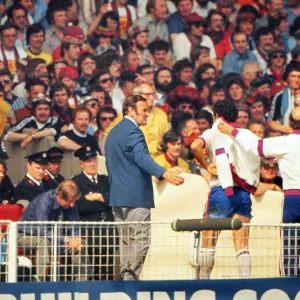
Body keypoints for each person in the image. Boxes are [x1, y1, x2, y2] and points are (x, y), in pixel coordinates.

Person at [105, 95, 184, 280]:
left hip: (117, 196)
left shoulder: (113, 133)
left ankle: (125, 278)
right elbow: (142, 158)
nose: (147, 114)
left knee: (126, 242)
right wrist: (165, 173)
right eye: (144, 110)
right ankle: (130, 279)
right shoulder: (133, 132)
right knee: (140, 241)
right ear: (130, 110)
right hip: (135, 197)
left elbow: (111, 165)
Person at [218, 107, 300, 277]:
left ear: (290, 124)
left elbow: (257, 146)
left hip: (293, 198)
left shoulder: (286, 142)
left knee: (291, 249)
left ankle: (292, 288)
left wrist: (232, 131)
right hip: (292, 196)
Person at [190, 99, 260, 279]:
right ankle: (246, 288)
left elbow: (194, 146)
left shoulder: (213, 132)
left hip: (221, 191)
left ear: (215, 116)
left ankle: (203, 286)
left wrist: (206, 165)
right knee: (242, 246)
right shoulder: (244, 133)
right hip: (243, 192)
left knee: (208, 244)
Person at [17, 180, 91, 281]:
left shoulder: (71, 202)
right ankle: (41, 281)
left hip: (54, 238)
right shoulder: (44, 202)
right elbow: (41, 230)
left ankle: (83, 283)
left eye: (74, 201)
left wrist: (76, 239)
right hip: (25, 236)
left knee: (81, 244)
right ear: (60, 196)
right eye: (70, 201)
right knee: (43, 242)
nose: (73, 205)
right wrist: (67, 240)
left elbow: (74, 226)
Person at [71, 145, 116, 280]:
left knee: (106, 269)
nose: (92, 163)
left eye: (94, 159)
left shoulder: (106, 179)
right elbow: (80, 206)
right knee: (89, 270)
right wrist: (103, 200)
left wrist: (97, 197)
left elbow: (113, 200)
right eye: (88, 161)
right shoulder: (76, 182)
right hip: (88, 230)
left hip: (107, 229)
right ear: (82, 163)